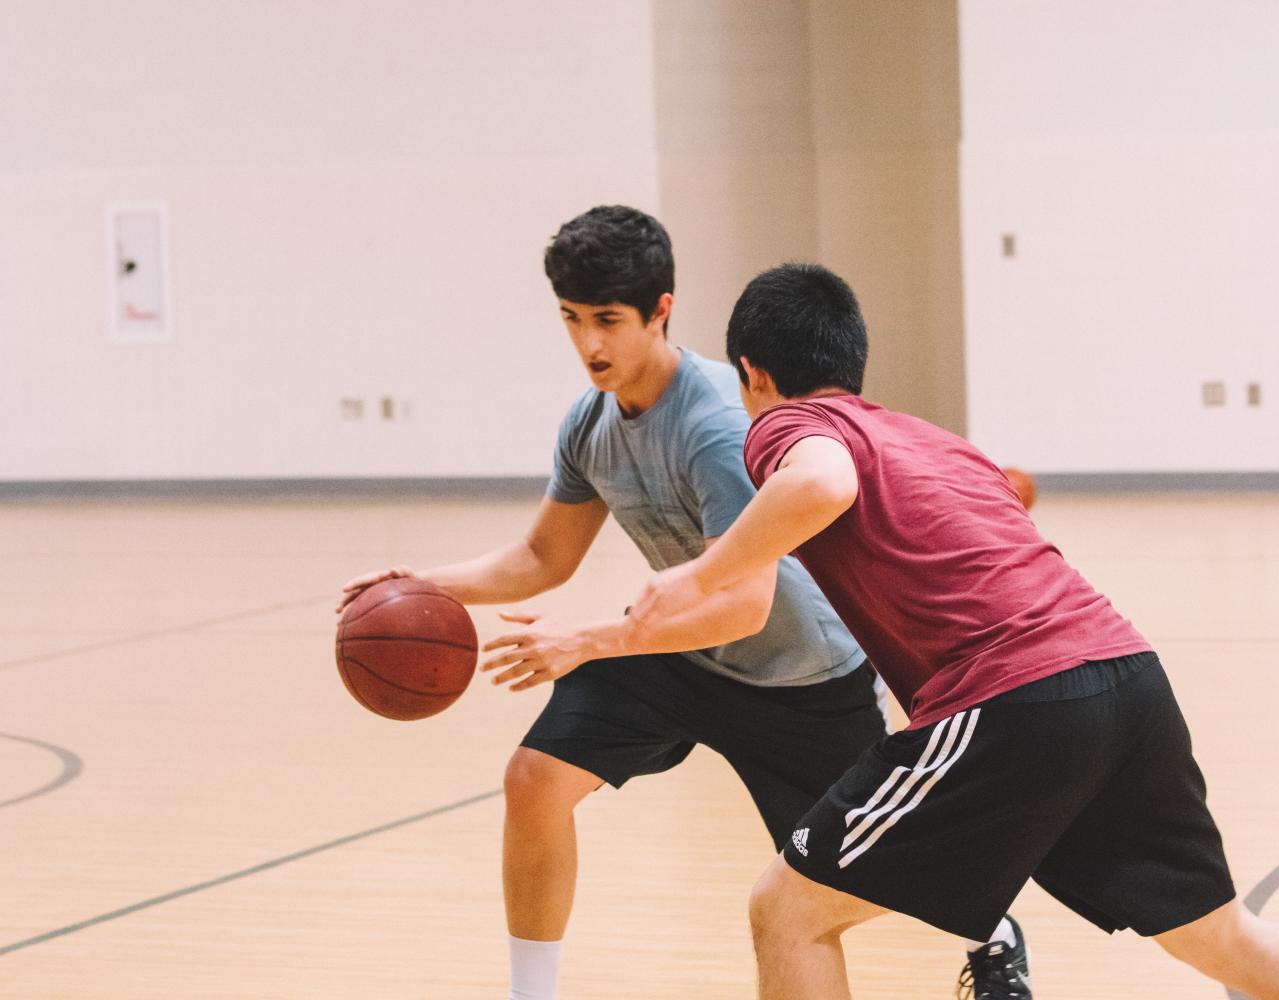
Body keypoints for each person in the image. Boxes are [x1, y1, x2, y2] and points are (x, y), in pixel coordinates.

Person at [630, 262, 1279, 1000]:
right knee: (1218, 937)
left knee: (786, 912)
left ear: (752, 372)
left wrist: (697, 575)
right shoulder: (937, 441)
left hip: (1020, 699)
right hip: (1128, 675)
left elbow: (823, 482)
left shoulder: (790, 424)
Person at [337, 209, 1029, 1000]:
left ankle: (994, 932)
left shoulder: (716, 426)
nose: (590, 344)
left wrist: (591, 642)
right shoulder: (589, 425)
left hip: (799, 679)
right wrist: (424, 586)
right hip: (677, 654)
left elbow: (743, 607)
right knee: (534, 779)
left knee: (880, 873)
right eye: (571, 320)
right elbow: (542, 557)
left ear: (660, 310)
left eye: (608, 321)